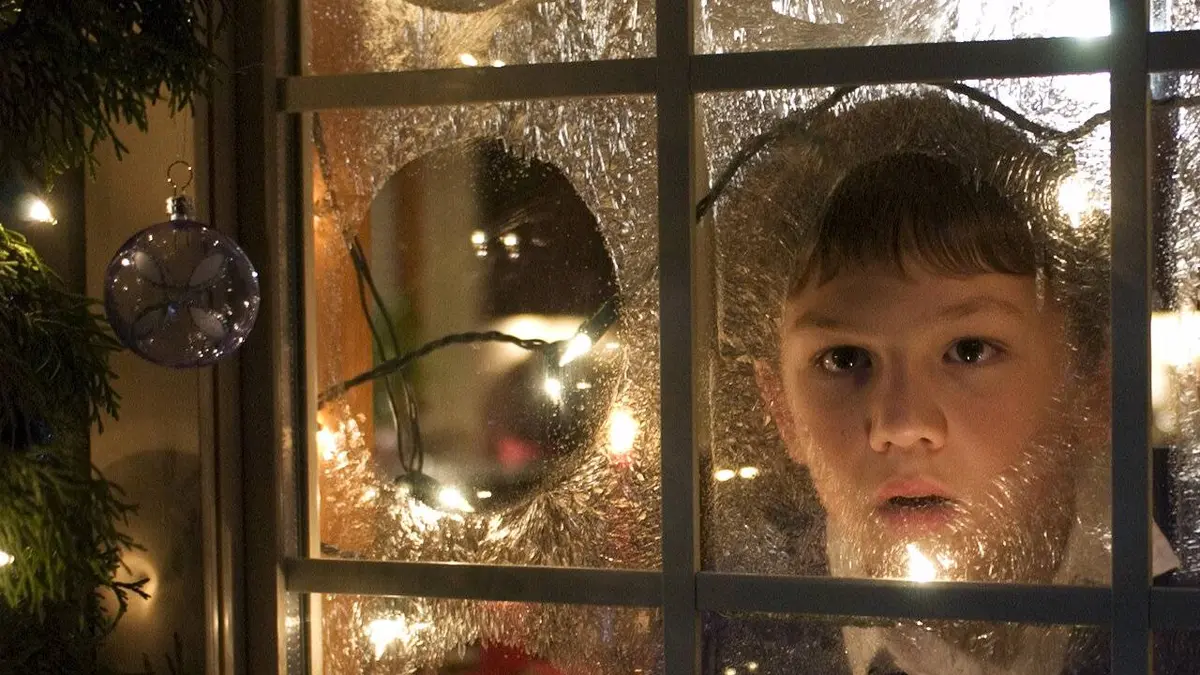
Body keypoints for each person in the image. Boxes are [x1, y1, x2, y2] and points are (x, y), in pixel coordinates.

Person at [712, 91, 1180, 674]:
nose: (902, 425)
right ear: (781, 407)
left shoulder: (1179, 608)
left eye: (968, 351)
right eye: (844, 359)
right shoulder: (724, 628)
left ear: (1093, 384)